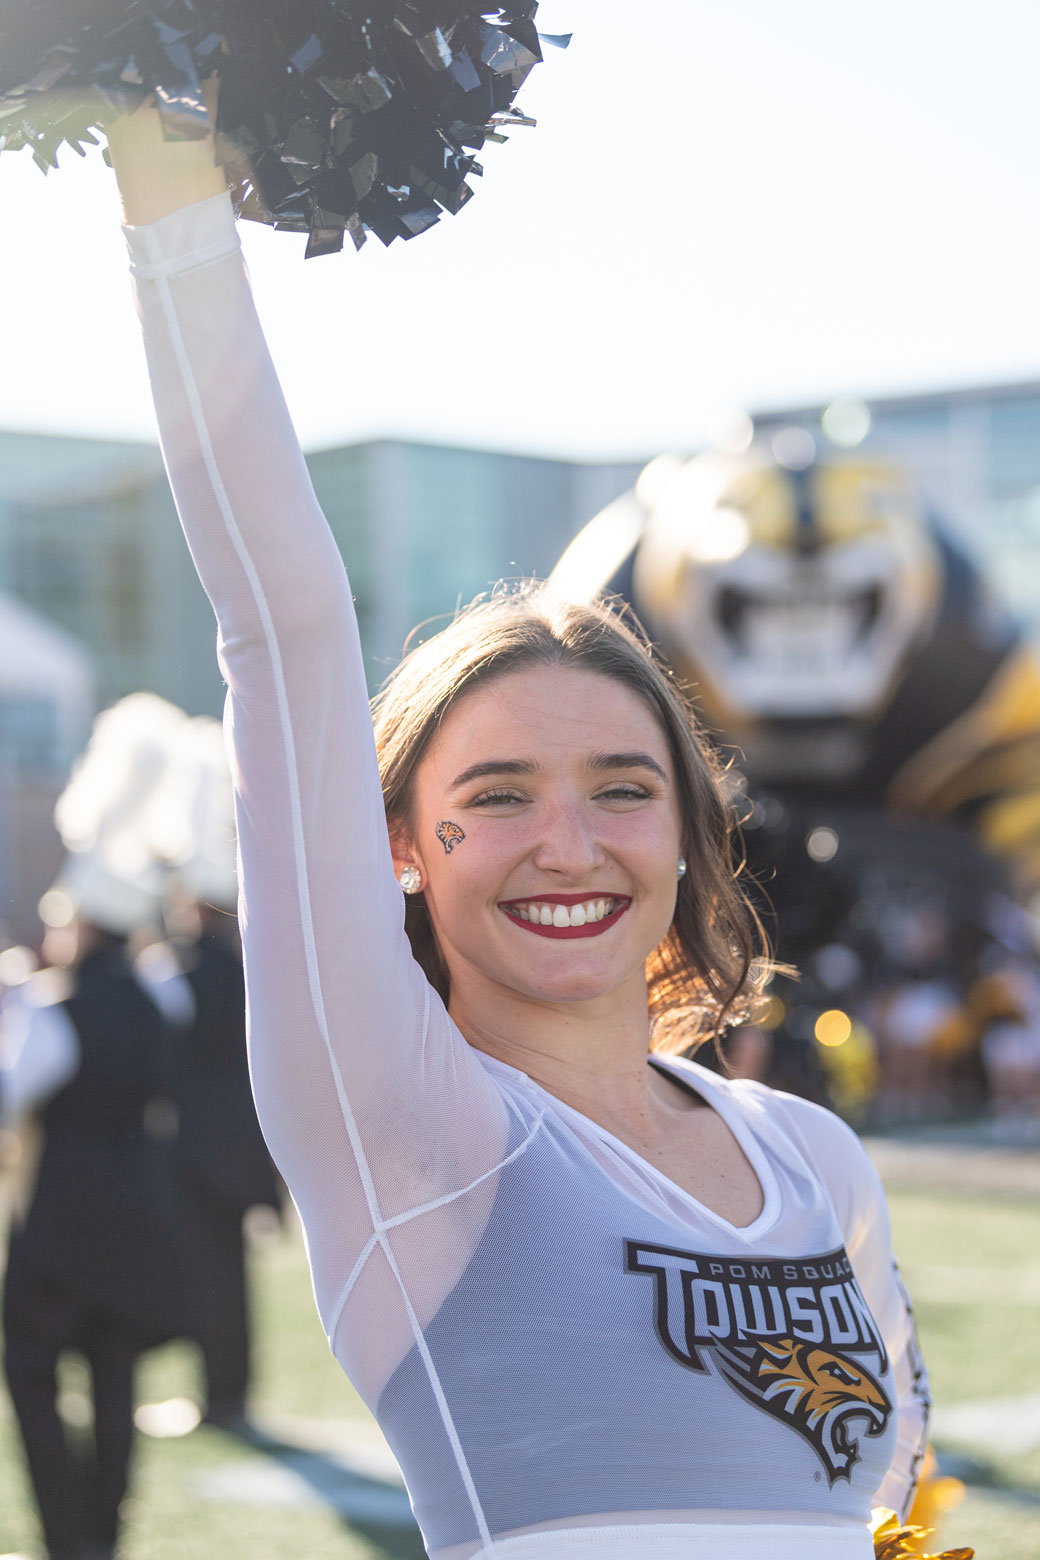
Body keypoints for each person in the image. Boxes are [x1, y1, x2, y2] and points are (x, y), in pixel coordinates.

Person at [99, 96, 936, 1560]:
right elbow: (282, 625)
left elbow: (888, 1502)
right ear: (401, 850)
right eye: (494, 798)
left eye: (623, 787)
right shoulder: (409, 1126)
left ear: (684, 831)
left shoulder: (815, 1160)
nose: (569, 842)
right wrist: (175, 212)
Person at [1, 905, 183, 1560]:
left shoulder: (53, 1005)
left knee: (30, 1372)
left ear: (83, 926)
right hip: (138, 1213)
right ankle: (104, 1535)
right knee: (114, 1375)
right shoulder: (158, 995)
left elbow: (9, 1093)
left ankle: (65, 1532)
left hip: (57, 1227)